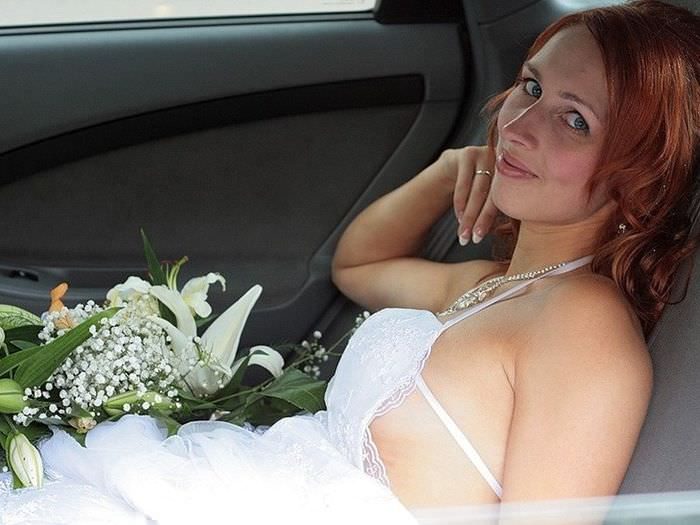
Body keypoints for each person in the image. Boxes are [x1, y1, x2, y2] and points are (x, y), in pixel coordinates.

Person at [0, 1, 698, 523]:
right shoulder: (492, 285)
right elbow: (358, 266)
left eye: (574, 120)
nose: (516, 125)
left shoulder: (584, 326)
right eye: (531, 87)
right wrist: (451, 167)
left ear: (641, 181)